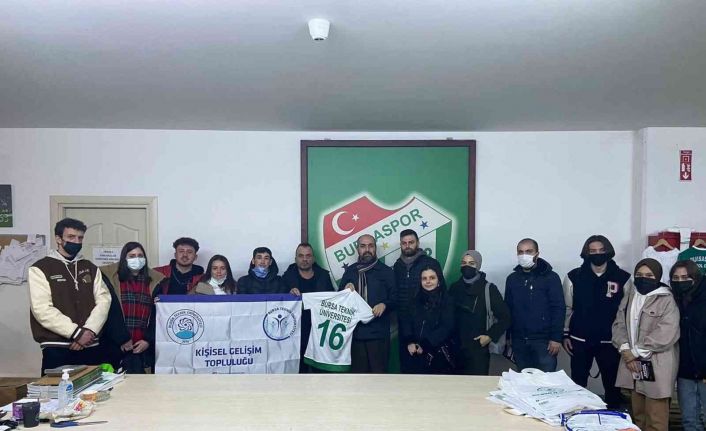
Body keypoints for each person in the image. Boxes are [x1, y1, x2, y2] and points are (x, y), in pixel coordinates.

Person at [28, 218, 111, 374]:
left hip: (89, 345)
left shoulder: (91, 268)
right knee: (55, 388)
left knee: (92, 388)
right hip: (56, 347)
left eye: (80, 238)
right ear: (58, 239)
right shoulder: (40, 268)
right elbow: (42, 309)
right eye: (71, 237)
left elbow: (104, 301)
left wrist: (88, 331)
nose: (76, 242)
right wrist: (76, 333)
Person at [562, 235, 630, 408]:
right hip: (579, 340)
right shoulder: (573, 277)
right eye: (593, 251)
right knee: (578, 384)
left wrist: (625, 341)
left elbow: (626, 313)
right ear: (586, 253)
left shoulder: (623, 278)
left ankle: (613, 417)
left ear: (608, 252)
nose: (597, 254)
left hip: (610, 342)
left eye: (601, 250)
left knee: (612, 387)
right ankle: (577, 416)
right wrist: (565, 334)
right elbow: (568, 308)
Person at [612, 258, 679, 431]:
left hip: (656, 364)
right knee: (638, 416)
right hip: (633, 364)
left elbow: (666, 332)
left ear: (657, 277)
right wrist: (625, 350)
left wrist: (635, 352)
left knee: (656, 418)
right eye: (639, 275)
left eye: (649, 275)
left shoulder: (666, 299)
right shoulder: (630, 295)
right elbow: (619, 323)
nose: (643, 278)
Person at [101, 242, 165, 373]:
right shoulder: (112, 279)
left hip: (143, 345)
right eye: (132, 256)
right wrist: (122, 339)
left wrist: (148, 340)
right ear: (124, 258)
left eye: (140, 255)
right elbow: (109, 312)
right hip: (116, 343)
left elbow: (157, 315)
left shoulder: (155, 281)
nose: (137, 259)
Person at [504, 238, 564, 372]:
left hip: (544, 342)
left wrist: (556, 338)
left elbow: (558, 308)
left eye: (528, 251)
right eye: (520, 252)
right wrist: (508, 337)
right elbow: (508, 309)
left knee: (545, 380)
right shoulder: (512, 279)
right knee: (523, 379)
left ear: (537, 253)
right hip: (519, 341)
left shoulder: (551, 278)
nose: (524, 255)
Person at [339, 234, 396, 373]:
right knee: (358, 379)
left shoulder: (386, 272)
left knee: (379, 378)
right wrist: (345, 290)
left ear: (375, 248)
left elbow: (396, 298)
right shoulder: (350, 272)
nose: (367, 250)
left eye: (371, 246)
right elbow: (339, 300)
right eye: (363, 246)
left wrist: (384, 305)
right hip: (355, 335)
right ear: (357, 249)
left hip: (378, 335)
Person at [449, 250, 511, 375]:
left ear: (478, 265)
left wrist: (489, 336)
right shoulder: (454, 288)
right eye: (464, 263)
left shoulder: (489, 289)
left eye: (471, 263)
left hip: (478, 349)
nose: (467, 266)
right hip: (455, 348)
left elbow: (505, 318)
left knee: (477, 384)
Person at [392, 229, 444, 373]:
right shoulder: (397, 266)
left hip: (428, 324)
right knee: (407, 369)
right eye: (404, 243)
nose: (407, 246)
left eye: (411, 242)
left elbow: (442, 292)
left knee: (430, 370)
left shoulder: (431, 263)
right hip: (405, 325)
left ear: (418, 243)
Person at [282, 243, 335, 372]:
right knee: (299, 369)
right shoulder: (286, 278)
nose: (305, 259)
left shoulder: (323, 276)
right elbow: (279, 303)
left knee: (320, 370)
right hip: (296, 331)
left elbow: (333, 300)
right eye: (301, 256)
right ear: (295, 259)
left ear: (313, 258)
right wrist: (288, 294)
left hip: (319, 330)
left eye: (308, 256)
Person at [670, 260, 706, 431]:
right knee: (689, 420)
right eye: (676, 278)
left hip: (704, 365)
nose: (680, 281)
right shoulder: (673, 298)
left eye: (685, 277)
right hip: (684, 369)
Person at [400, 266, 454, 374]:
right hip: (414, 354)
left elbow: (447, 327)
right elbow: (406, 322)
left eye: (432, 278)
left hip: (438, 355)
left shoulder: (447, 301)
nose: (428, 281)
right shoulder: (414, 301)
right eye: (424, 278)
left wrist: (425, 345)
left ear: (439, 281)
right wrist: (410, 341)